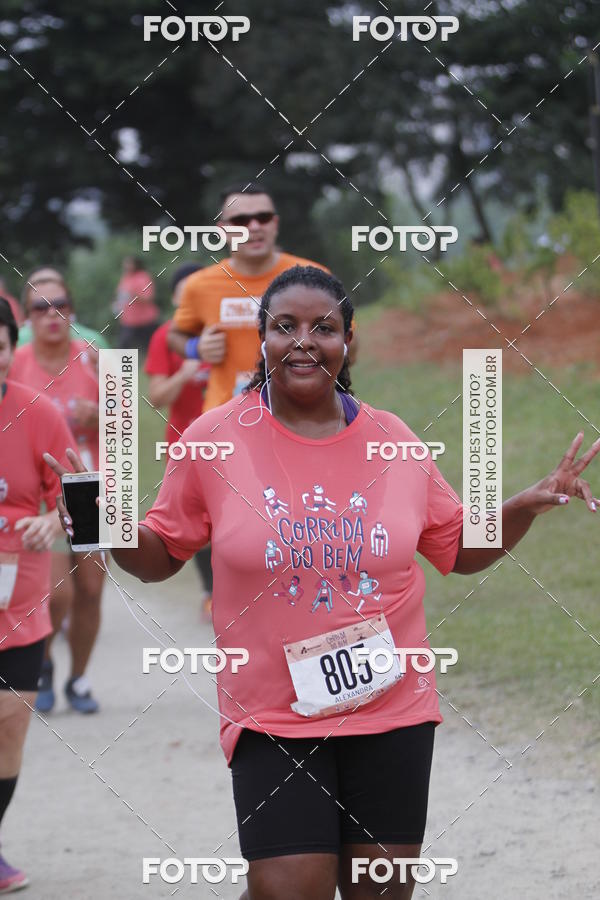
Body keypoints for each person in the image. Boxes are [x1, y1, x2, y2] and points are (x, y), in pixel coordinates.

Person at [48, 266, 599, 900]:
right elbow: (160, 556)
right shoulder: (214, 440)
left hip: (391, 710)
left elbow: (457, 549)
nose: (304, 341)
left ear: (349, 341)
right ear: (262, 340)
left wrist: (522, 506)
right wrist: (108, 521)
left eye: (324, 328)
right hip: (273, 715)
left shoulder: (393, 440)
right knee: (289, 889)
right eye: (285, 327)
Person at [167, 181, 357, 411]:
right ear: (223, 230)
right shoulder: (200, 285)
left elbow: (349, 341)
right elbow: (175, 335)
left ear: (275, 224)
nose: (254, 226)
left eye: (263, 217)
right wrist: (196, 348)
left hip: (299, 415)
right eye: (241, 221)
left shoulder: (313, 277)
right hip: (226, 418)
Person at [0, 299, 73, 893]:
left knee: (9, 728)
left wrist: (52, 523)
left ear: (9, 350)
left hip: (17, 593)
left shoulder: (40, 412)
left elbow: (81, 496)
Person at [10, 276, 104, 714]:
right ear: (28, 319)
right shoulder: (15, 361)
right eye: (40, 308)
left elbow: (127, 429)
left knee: (90, 587)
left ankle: (79, 678)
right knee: (56, 591)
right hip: (43, 489)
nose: (52, 315)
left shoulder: (96, 357)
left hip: (93, 486)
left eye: (60, 304)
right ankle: (42, 662)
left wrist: (102, 411)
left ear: (73, 310)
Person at [145, 262, 213, 612]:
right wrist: (185, 373)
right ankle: (210, 591)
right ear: (175, 298)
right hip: (185, 444)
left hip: (239, 442)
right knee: (196, 521)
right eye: (185, 291)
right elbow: (156, 397)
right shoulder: (165, 337)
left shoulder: (227, 332)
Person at [17, 268, 110, 361]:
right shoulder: (15, 341)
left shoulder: (93, 341)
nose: (52, 313)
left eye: (60, 304)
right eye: (40, 306)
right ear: (28, 311)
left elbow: (116, 374)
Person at [114, 256, 159, 353]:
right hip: (128, 320)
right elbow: (120, 295)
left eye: (128, 263)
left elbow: (148, 297)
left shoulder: (143, 277)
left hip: (145, 320)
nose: (126, 266)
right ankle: (123, 367)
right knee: (123, 346)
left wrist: (133, 294)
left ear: (136, 264)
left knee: (152, 346)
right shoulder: (126, 277)